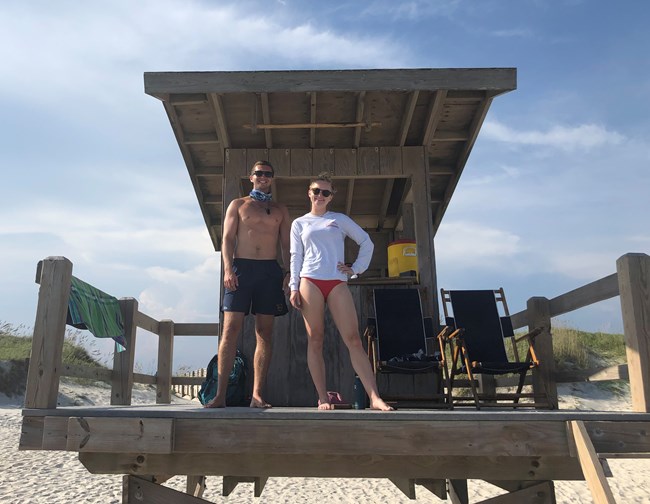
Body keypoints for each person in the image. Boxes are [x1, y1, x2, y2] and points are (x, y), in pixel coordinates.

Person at [289, 173, 393, 411]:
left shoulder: (339, 219)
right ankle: (323, 398)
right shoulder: (299, 223)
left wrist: (355, 270)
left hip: (337, 282)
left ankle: (375, 397)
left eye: (326, 192)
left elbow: (367, 242)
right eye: (316, 191)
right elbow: (296, 256)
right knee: (315, 339)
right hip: (309, 281)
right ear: (309, 192)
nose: (320, 196)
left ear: (331, 196)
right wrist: (294, 287)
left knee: (354, 339)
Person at [205, 161, 290, 409]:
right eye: (259, 173)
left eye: (268, 174)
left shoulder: (279, 209)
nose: (263, 177)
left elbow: (286, 245)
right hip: (241, 269)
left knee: (264, 333)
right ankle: (220, 395)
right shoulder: (239, 204)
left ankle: (257, 395)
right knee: (230, 330)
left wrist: (288, 272)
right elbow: (228, 239)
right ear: (251, 177)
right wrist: (228, 269)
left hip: (269, 271)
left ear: (272, 178)